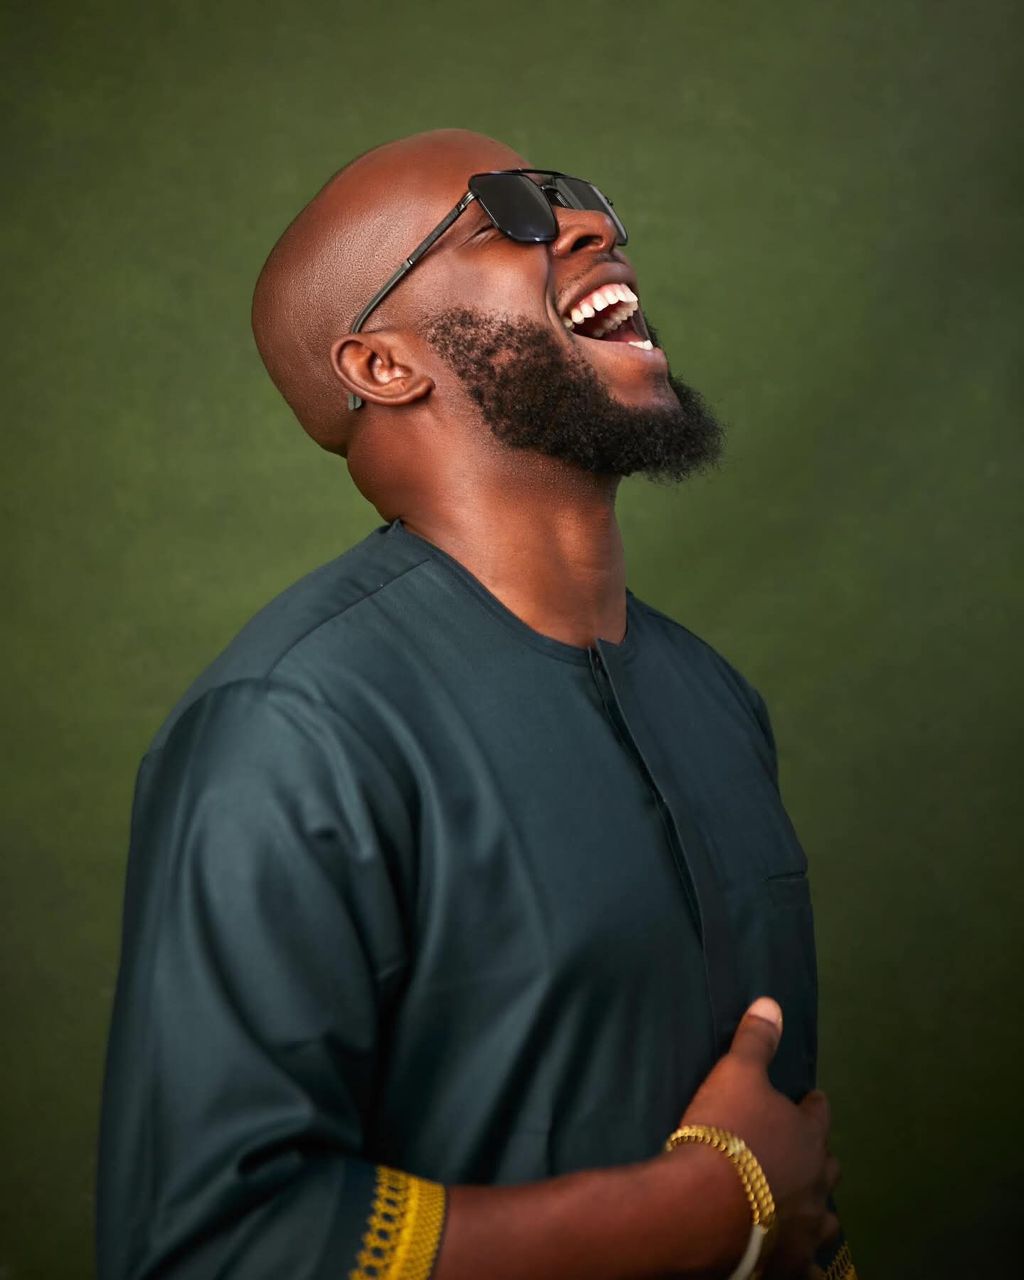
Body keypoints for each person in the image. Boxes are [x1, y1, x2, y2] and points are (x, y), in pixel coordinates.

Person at [97, 128, 857, 1280]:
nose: (594, 224)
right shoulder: (290, 729)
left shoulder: (714, 697)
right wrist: (710, 1206)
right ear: (381, 365)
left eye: (578, 195)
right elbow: (210, 1244)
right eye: (510, 212)